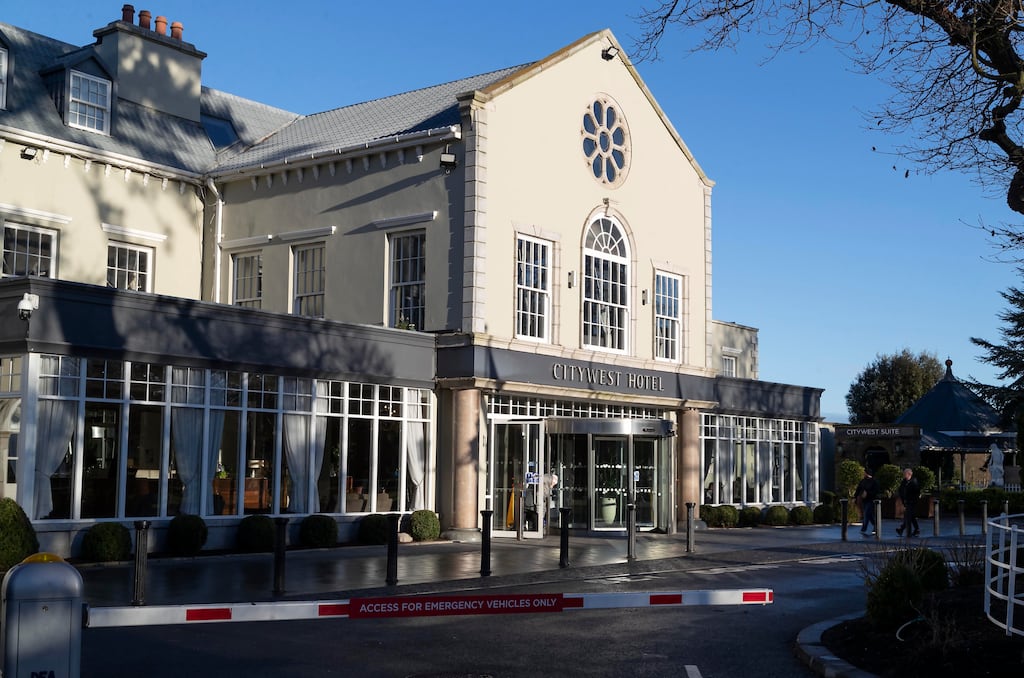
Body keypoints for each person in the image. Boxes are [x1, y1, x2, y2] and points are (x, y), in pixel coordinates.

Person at [854, 468, 880, 535]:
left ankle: (864, 528)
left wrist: (868, 493)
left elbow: (876, 491)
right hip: (864, 500)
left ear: (867, 473)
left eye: (864, 472)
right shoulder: (863, 481)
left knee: (866, 513)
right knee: (869, 515)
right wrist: (855, 496)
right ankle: (875, 525)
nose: (863, 474)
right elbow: (858, 489)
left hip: (871, 500)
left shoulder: (874, 482)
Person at [896, 467, 920, 537]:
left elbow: (916, 492)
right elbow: (901, 490)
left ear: (909, 474)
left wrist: (913, 499)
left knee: (908, 516)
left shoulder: (914, 482)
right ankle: (916, 529)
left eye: (905, 473)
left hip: (912, 502)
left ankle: (906, 531)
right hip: (906, 501)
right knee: (911, 516)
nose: (904, 475)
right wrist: (903, 499)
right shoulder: (904, 482)